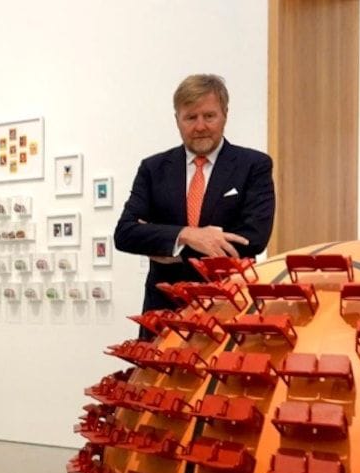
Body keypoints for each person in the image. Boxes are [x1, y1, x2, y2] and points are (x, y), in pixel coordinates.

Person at [114, 73, 275, 331]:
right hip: (164, 313)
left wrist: (171, 249)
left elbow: (252, 239)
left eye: (209, 116)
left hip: (228, 310)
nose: (200, 126)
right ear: (177, 120)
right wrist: (188, 235)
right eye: (190, 117)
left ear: (224, 114)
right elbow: (125, 234)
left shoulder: (253, 166)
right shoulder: (153, 169)